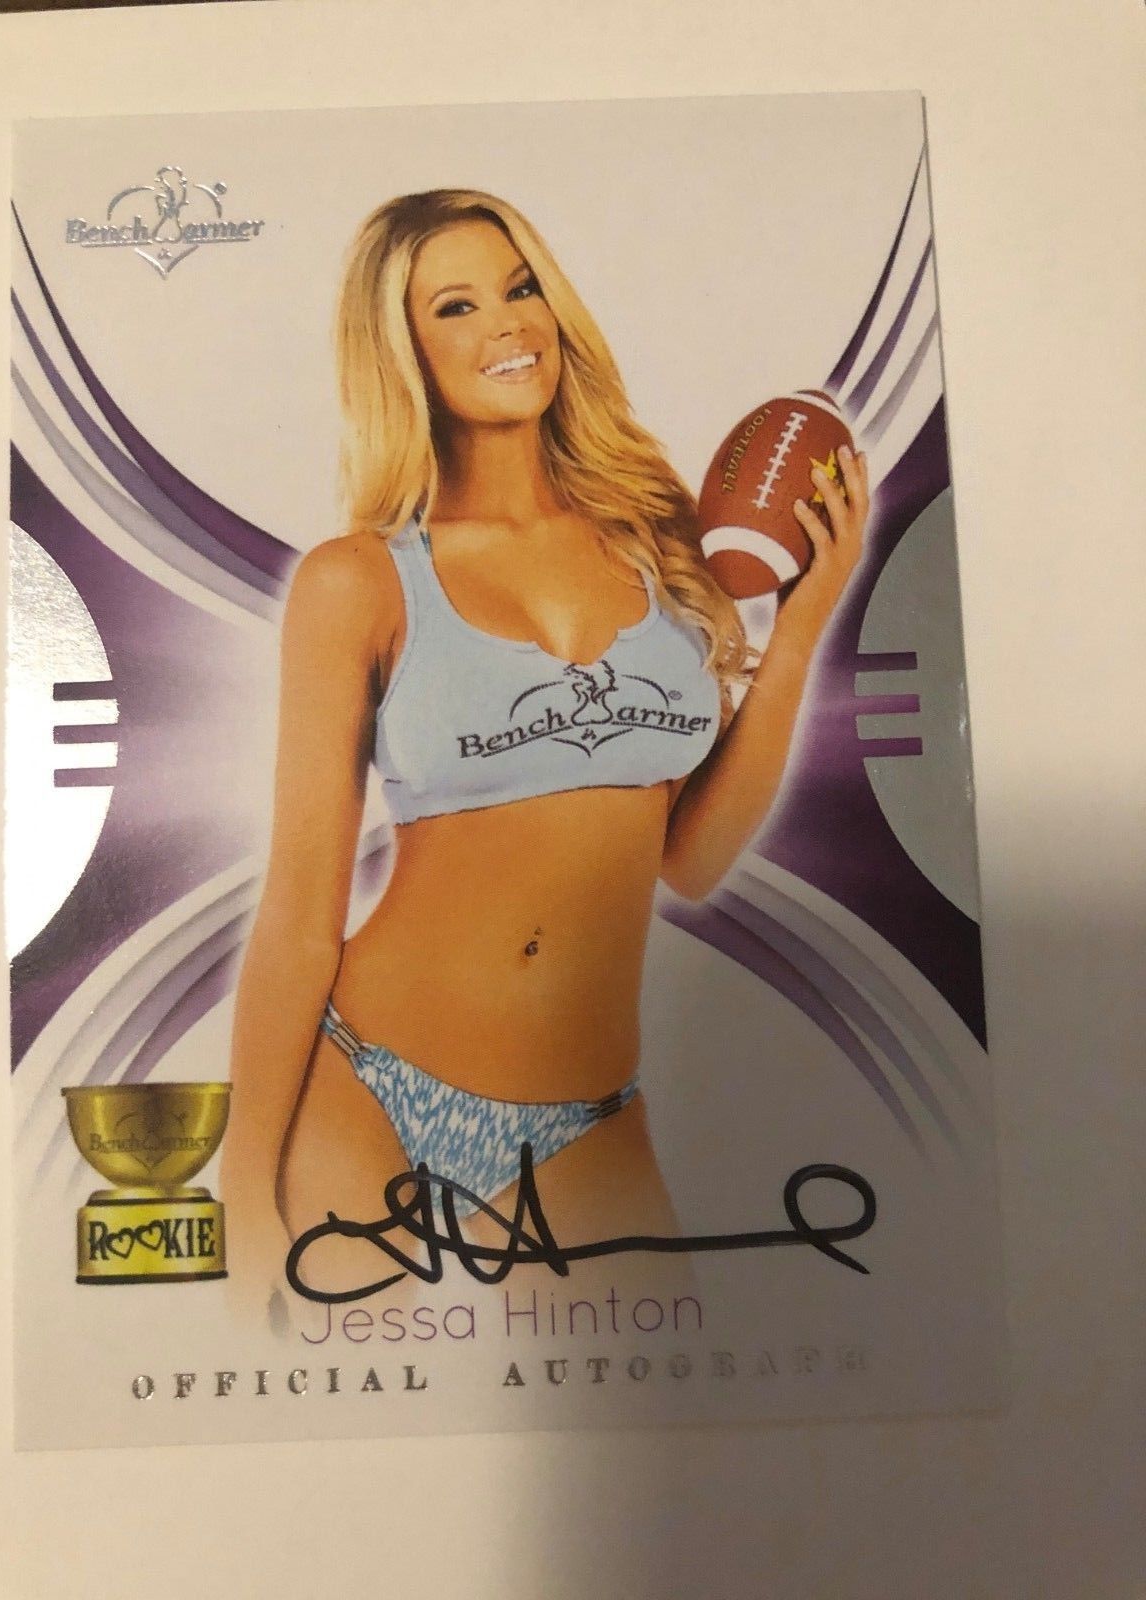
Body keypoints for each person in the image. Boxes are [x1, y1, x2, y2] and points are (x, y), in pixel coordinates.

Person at [218, 188, 868, 1320]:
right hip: (368, 1082)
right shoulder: (357, 581)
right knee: (345, 1414)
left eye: (521, 288)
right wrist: (243, 1197)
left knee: (667, 1403)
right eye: (456, 305)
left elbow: (690, 859)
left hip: (588, 1117)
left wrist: (803, 623)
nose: (508, 323)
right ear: (402, 349)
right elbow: (297, 916)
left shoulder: (660, 543)